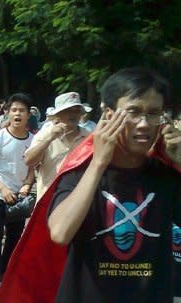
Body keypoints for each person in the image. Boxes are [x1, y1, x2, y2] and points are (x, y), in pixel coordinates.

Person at [47, 67, 181, 302]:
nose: (143, 124)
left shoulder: (166, 176)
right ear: (109, 116)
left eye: (153, 113)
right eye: (133, 112)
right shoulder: (80, 172)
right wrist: (98, 163)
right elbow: (60, 232)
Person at [0, 94, 35, 297]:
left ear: (29, 115)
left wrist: (27, 186)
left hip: (19, 199)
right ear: (7, 113)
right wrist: (2, 189)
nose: (17, 113)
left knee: (14, 239)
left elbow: (32, 170)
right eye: (14, 110)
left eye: (22, 110)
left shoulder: (34, 141)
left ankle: (6, 276)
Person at [24, 92, 91, 199]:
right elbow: (29, 161)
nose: (73, 114)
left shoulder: (89, 136)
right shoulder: (45, 134)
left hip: (80, 200)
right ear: (58, 115)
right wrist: (50, 138)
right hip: (50, 200)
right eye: (68, 110)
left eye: (77, 110)